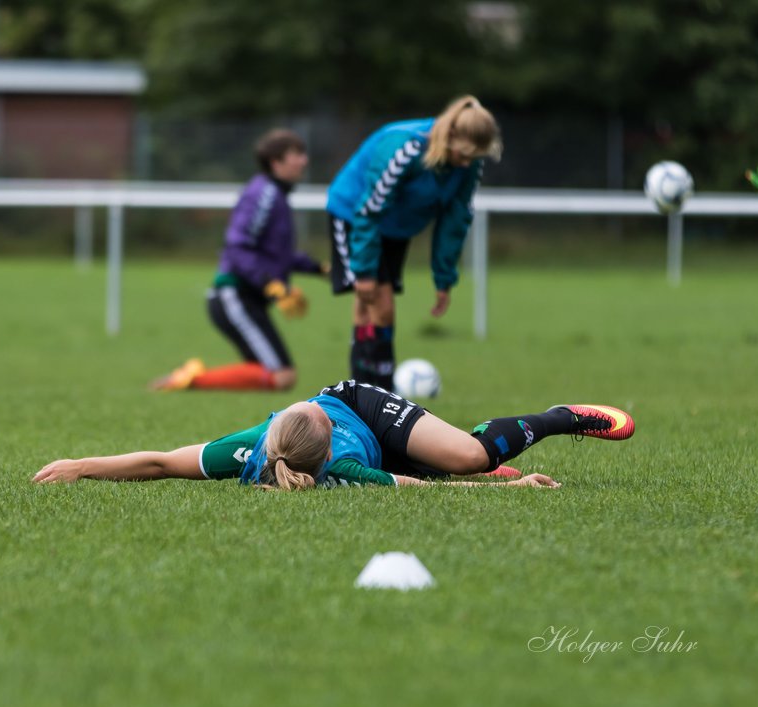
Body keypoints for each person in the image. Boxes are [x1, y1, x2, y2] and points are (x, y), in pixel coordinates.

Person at [34, 380, 634, 490]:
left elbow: (162, 462)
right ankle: (486, 459)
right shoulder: (342, 470)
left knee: (470, 455)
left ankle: (563, 417)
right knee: (463, 471)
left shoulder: (244, 449)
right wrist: (517, 488)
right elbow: (416, 492)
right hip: (381, 451)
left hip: (367, 405)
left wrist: (80, 463)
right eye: (313, 411)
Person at [326, 96, 502, 391]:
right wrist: (365, 272)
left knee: (376, 305)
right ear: (450, 136)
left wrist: (444, 278)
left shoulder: (469, 165)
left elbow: (455, 220)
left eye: (474, 157)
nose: (467, 162)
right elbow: (369, 209)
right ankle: (376, 391)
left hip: (396, 226)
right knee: (376, 300)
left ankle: (369, 393)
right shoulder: (404, 148)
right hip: (355, 214)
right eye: (464, 154)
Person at [154, 129, 328, 392]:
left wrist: (318, 268)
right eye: (297, 155)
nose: (304, 161)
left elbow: (276, 253)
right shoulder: (265, 194)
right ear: (276, 162)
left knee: (274, 374)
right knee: (282, 376)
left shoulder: (276, 195)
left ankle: (191, 378)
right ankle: (189, 380)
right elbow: (237, 247)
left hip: (246, 297)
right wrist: (269, 282)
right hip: (233, 295)